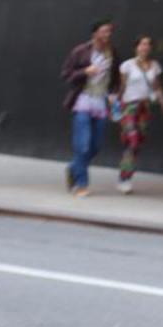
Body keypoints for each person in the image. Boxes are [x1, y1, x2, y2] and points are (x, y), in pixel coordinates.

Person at [60, 20, 120, 197]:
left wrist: (114, 94)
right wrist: (85, 71)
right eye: (104, 31)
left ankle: (73, 168)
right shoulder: (81, 51)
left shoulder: (113, 54)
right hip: (83, 102)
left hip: (101, 103)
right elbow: (66, 74)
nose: (107, 35)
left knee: (95, 147)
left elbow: (115, 79)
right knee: (83, 145)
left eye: (109, 31)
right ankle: (81, 184)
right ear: (95, 34)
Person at [115, 35, 163, 194]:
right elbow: (122, 86)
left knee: (136, 143)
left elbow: (156, 86)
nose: (144, 47)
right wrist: (116, 106)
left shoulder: (155, 66)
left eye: (147, 44)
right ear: (136, 47)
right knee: (132, 140)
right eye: (141, 44)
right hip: (129, 107)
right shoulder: (127, 65)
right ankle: (124, 178)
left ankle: (125, 176)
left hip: (144, 107)